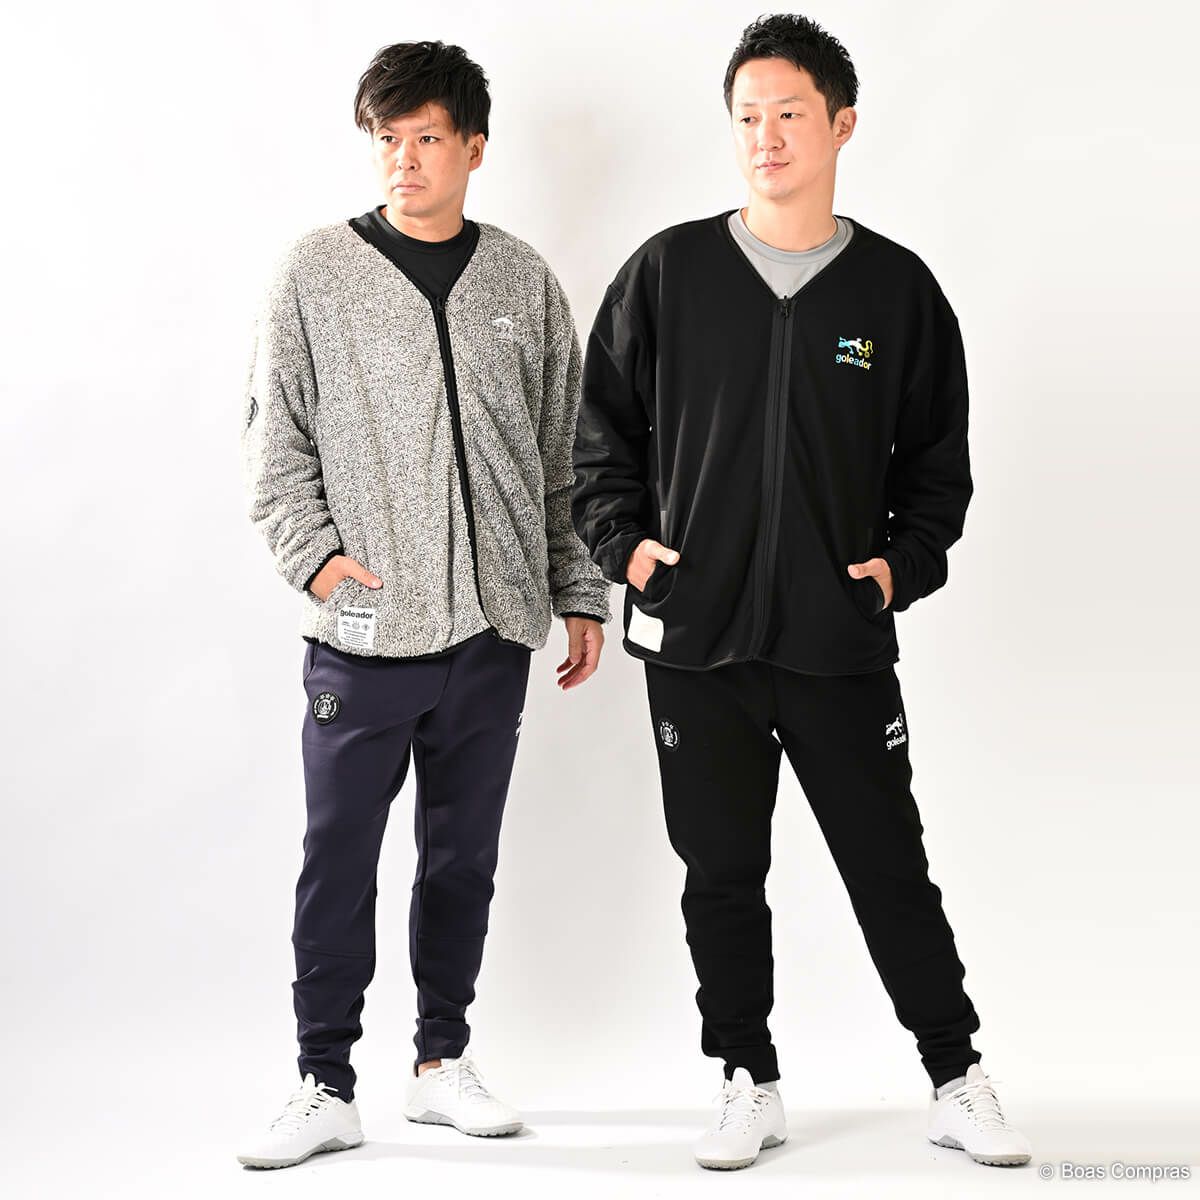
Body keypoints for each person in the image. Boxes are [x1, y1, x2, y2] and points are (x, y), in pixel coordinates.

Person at [572, 12, 1031, 1172]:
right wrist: (624, 546)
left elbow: (938, 466)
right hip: (697, 641)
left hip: (836, 641)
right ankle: (747, 1078)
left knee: (889, 867)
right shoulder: (668, 274)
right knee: (721, 874)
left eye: (788, 113)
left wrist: (902, 567)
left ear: (842, 124)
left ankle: (956, 1077)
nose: (765, 136)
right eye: (747, 116)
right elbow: (600, 440)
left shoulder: (895, 293)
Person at [236, 39, 609, 1169]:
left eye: (428, 138)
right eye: (387, 139)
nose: (404, 160)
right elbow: (274, 444)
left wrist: (577, 590)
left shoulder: (522, 282)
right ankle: (323, 1082)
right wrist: (318, 563)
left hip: (493, 630)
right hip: (364, 633)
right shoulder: (315, 273)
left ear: (474, 148)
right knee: (338, 857)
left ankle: (442, 1062)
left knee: (462, 860)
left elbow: (563, 458)